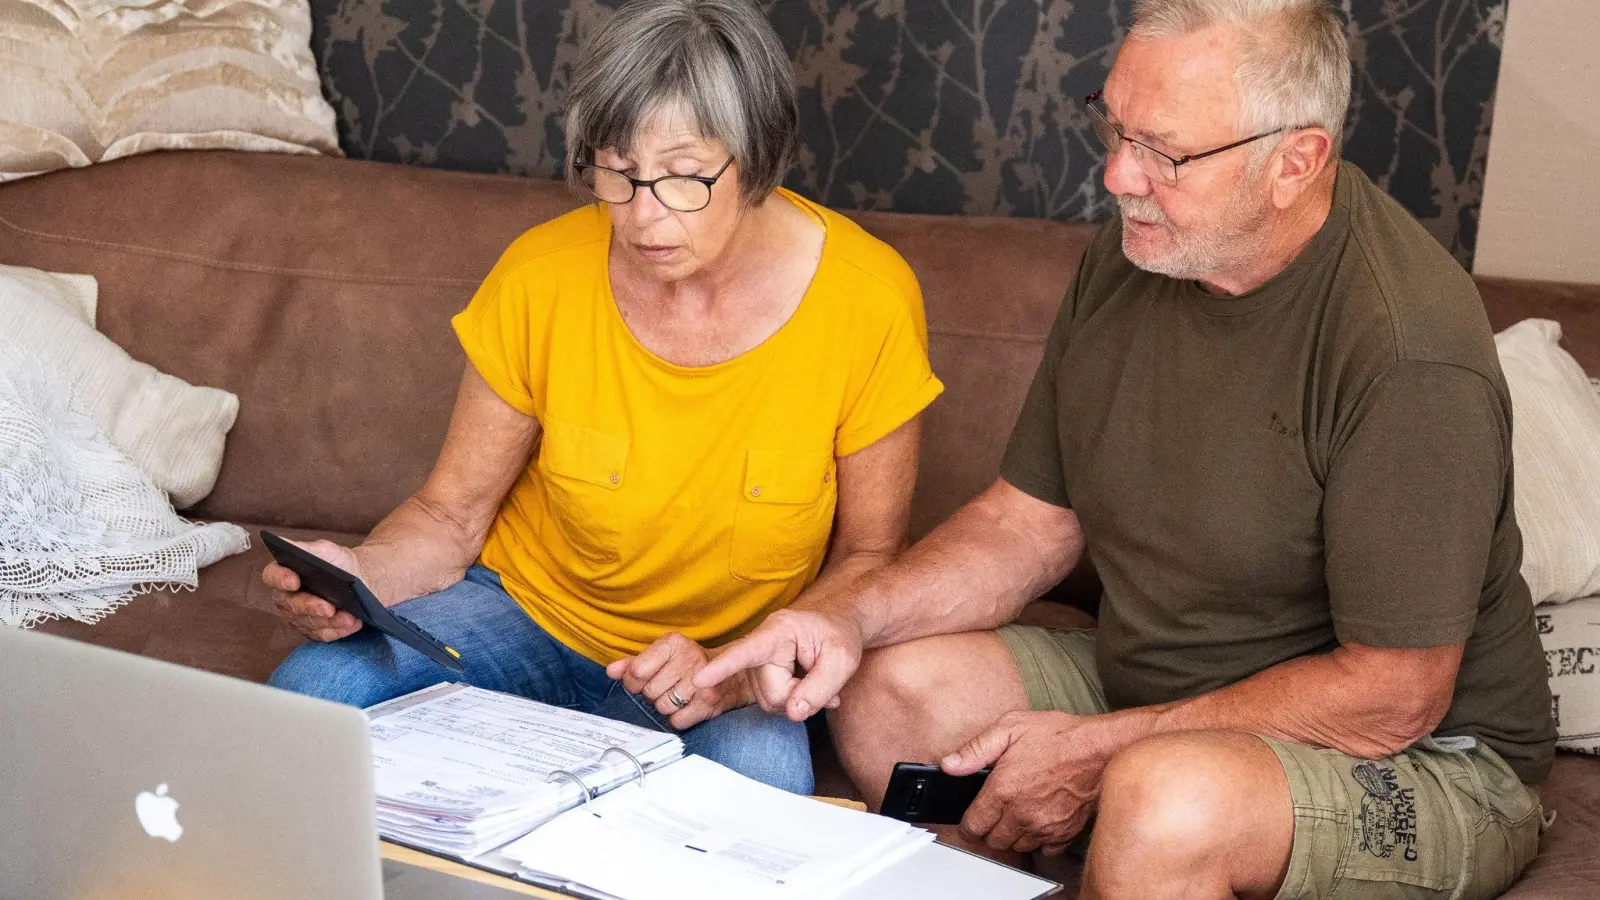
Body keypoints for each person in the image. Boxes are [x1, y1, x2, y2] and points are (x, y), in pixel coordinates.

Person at [694, 0, 1556, 894]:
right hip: (1159, 685)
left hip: (1427, 758)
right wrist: (848, 616)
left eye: (1165, 152)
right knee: (884, 690)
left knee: (1162, 800)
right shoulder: (1145, 251)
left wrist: (1105, 751)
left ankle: (1142, 842)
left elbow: (1393, 694)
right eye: (1114, 128)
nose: (1117, 176)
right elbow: (1027, 526)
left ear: (1293, 163)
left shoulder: (1406, 347)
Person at [262, 0, 942, 795]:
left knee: (761, 782)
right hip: (525, 621)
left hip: (720, 664)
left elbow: (867, 559)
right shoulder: (541, 274)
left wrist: (741, 666)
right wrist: (359, 573)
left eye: (685, 177)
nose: (642, 214)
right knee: (316, 690)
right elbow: (450, 517)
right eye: (617, 171)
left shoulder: (866, 300)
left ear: (757, 159)